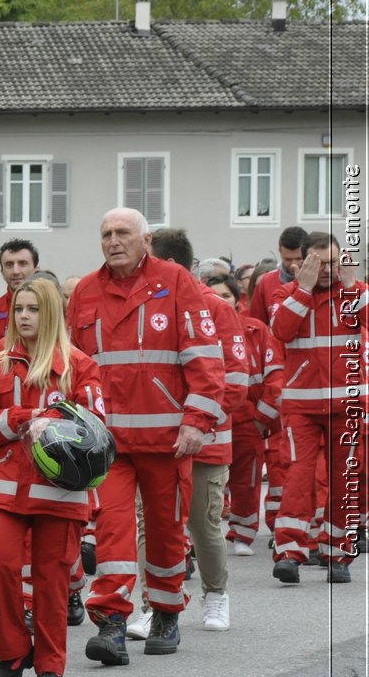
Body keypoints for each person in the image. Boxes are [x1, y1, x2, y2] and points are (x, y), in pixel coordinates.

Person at [67, 208, 223, 664]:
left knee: (165, 530)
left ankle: (167, 613)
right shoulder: (86, 291)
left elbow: (206, 359)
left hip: (166, 438)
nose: (113, 241)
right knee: (111, 530)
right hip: (107, 440)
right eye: (106, 234)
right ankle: (112, 623)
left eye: (122, 233)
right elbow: (74, 362)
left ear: (145, 239)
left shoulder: (176, 281)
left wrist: (197, 420)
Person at [0, 278, 107, 677]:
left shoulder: (80, 365)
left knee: (52, 577)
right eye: (18, 309)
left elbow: (96, 430)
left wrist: (49, 422)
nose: (24, 317)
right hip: (6, 490)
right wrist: (20, 417)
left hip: (60, 493)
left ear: (50, 315)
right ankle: (13, 651)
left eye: (33, 309)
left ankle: (51, 662)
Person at [149, 229, 245, 632]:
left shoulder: (215, 308)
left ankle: (216, 594)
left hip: (204, 442)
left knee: (202, 525)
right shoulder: (147, 307)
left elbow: (236, 382)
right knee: (150, 524)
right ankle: (151, 602)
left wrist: (197, 423)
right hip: (155, 442)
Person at [269, 232, 366, 583]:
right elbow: (280, 331)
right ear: (304, 262)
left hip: (349, 404)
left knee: (344, 480)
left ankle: (336, 554)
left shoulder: (355, 292)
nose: (327, 270)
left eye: (333, 262)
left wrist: (354, 284)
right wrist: (304, 289)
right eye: (319, 263)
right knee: (297, 476)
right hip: (302, 406)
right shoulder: (289, 294)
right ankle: (289, 554)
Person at [206, 273, 282, 558]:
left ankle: (243, 532)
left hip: (247, 423)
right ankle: (203, 533)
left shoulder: (257, 330)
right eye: (213, 295)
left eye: (225, 295)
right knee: (208, 480)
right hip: (210, 421)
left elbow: (275, 377)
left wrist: (261, 417)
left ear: (238, 300)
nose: (219, 301)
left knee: (246, 480)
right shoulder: (196, 330)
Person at [245, 226, 309, 326]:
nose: (293, 264)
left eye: (299, 259)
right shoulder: (266, 282)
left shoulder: (321, 282)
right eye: (288, 259)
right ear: (279, 251)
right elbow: (256, 327)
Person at [0, 239, 40, 331]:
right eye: (9, 265)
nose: (15, 271)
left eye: (22, 264)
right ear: (2, 272)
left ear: (36, 269)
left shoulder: (53, 309)